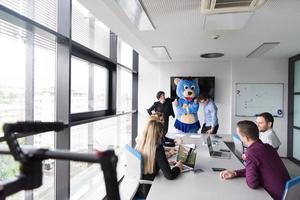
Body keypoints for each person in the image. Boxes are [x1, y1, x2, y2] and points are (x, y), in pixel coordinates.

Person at [220, 120, 290, 200]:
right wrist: (235, 173)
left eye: (239, 135)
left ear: (245, 138)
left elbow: (252, 183)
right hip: (287, 193)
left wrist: (248, 161)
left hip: (275, 196)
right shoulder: (268, 147)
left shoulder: (251, 153)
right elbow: (256, 169)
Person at [135, 119, 183, 198]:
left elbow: (149, 161)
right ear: (158, 133)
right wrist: (178, 167)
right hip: (150, 190)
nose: (162, 135)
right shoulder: (157, 148)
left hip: (139, 188)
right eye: (161, 132)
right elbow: (169, 175)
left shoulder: (140, 144)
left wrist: (164, 163)